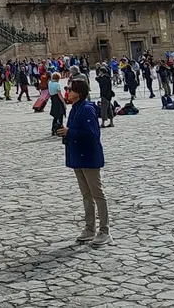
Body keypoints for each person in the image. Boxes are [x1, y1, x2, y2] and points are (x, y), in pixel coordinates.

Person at [56, 78, 109, 245]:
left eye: (70, 89)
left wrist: (69, 132)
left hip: (88, 157)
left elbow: (92, 134)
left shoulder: (86, 109)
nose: (67, 92)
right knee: (86, 195)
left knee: (97, 194)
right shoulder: (74, 109)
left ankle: (105, 230)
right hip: (77, 156)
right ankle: (89, 228)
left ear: (78, 93)